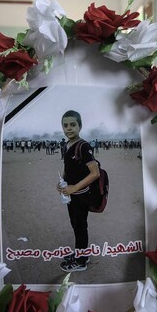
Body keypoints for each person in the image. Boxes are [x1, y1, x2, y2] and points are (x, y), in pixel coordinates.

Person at [55, 110, 100, 273]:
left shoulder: (83, 146)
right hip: (70, 195)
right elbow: (68, 168)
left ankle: (81, 261)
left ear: (80, 126)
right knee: (75, 225)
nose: (69, 128)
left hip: (81, 196)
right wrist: (62, 182)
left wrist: (74, 187)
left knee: (81, 227)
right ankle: (82, 252)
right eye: (65, 125)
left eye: (73, 125)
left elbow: (95, 173)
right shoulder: (67, 145)